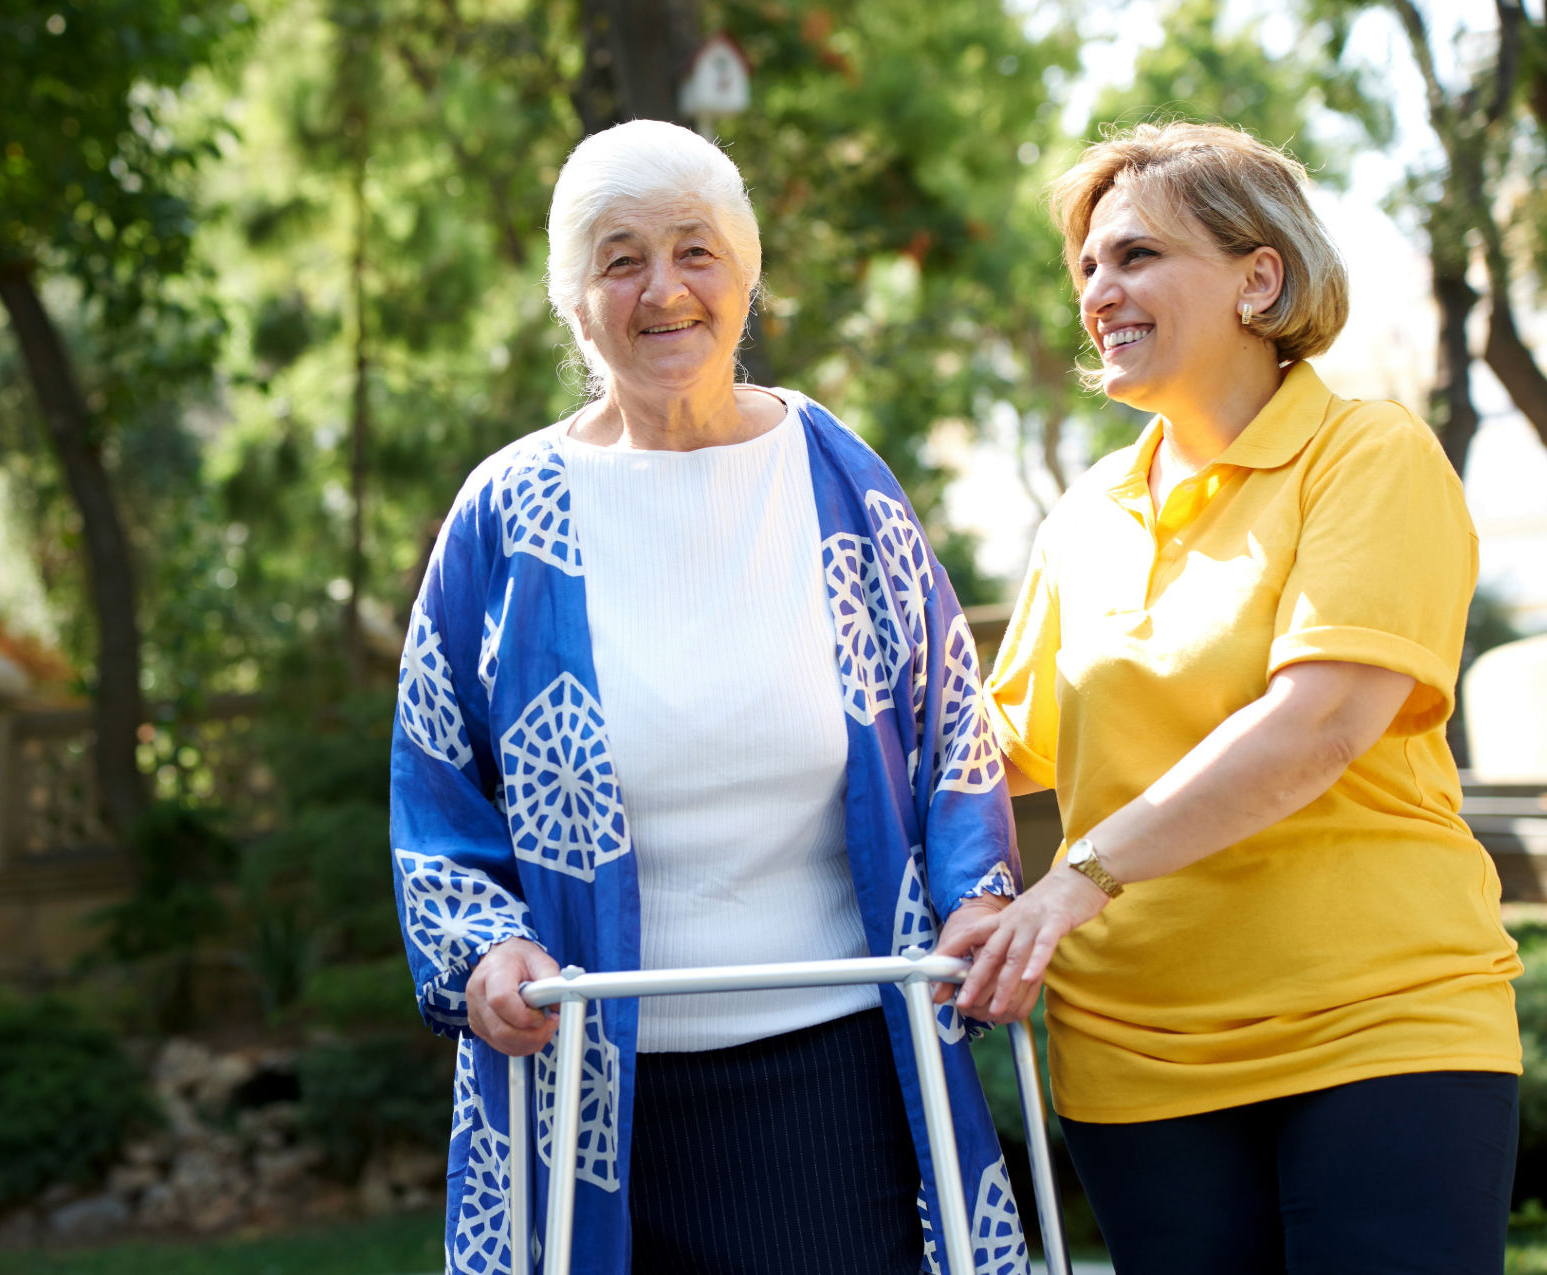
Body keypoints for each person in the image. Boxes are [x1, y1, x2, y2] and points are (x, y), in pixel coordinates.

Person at [391, 119, 1030, 1275]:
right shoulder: (506, 514)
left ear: (746, 279)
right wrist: (485, 950)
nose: (663, 289)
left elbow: (952, 733)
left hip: (838, 1074)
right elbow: (437, 804)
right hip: (584, 1083)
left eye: (696, 250)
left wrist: (976, 898)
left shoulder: (839, 477)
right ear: (573, 299)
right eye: (620, 258)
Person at [935, 120, 1523, 1274]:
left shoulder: (1369, 457)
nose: (1099, 289)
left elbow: (1318, 725)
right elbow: (993, 750)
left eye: (1139, 256)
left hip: (1379, 1026)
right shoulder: (1086, 517)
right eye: (1090, 266)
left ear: (1261, 278)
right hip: (1135, 1061)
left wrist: (1077, 881)